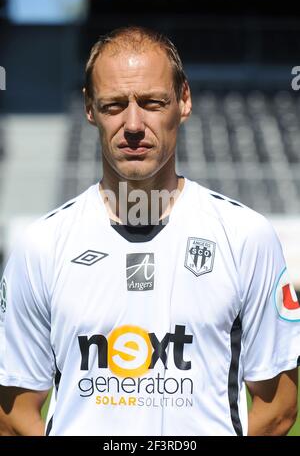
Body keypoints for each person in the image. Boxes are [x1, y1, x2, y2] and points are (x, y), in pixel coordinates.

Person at [0, 26, 299, 437]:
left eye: (153, 102)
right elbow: (13, 412)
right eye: (114, 105)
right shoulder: (41, 246)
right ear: (89, 108)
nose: (134, 124)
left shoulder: (246, 237)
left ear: (184, 101)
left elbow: (278, 406)